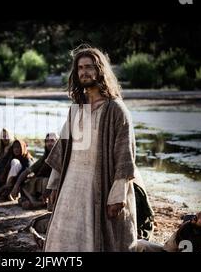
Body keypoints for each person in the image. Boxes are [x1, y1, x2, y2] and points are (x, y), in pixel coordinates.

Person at [43, 45, 148, 252]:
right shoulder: (76, 109)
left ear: (100, 70)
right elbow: (62, 150)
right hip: (71, 188)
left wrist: (117, 196)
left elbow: (125, 158)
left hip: (100, 186)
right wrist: (54, 184)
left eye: (89, 67)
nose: (84, 72)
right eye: (80, 68)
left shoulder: (116, 110)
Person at [11, 133, 57, 209]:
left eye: (52, 141)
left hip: (53, 187)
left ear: (57, 142)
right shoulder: (45, 157)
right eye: (47, 141)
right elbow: (27, 171)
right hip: (42, 188)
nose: (49, 143)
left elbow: (57, 177)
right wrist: (15, 187)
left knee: (46, 181)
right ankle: (34, 201)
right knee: (25, 181)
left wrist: (46, 193)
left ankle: (38, 203)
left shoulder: (61, 156)